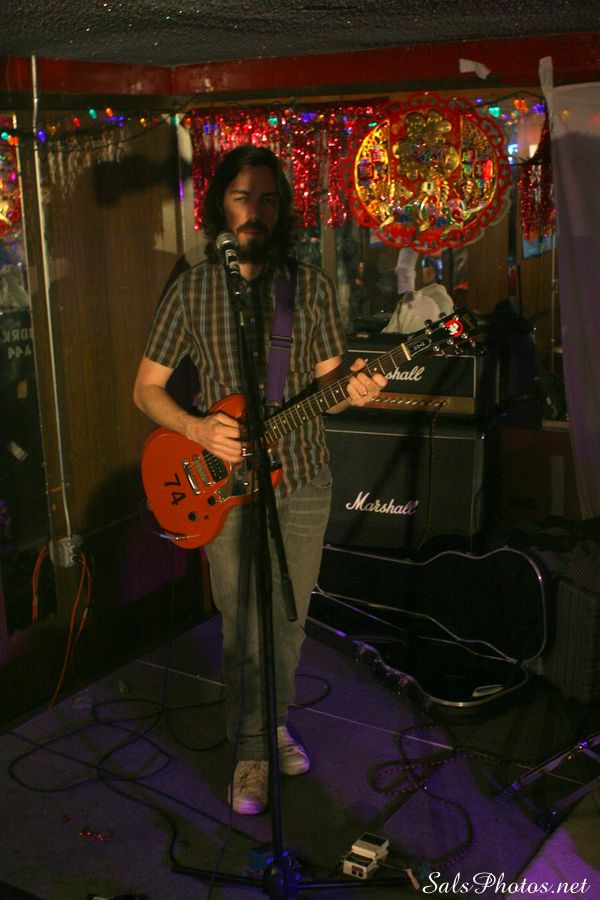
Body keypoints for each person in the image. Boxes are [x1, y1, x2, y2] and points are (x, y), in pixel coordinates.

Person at [133, 145, 386, 815]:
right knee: (243, 623)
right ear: (221, 205)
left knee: (289, 618)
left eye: (268, 199)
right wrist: (196, 429)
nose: (255, 211)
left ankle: (271, 724)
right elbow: (145, 390)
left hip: (301, 475)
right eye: (243, 197)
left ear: (283, 209)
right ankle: (250, 753)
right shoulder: (192, 290)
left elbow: (331, 386)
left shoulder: (310, 287)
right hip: (222, 484)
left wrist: (355, 390)